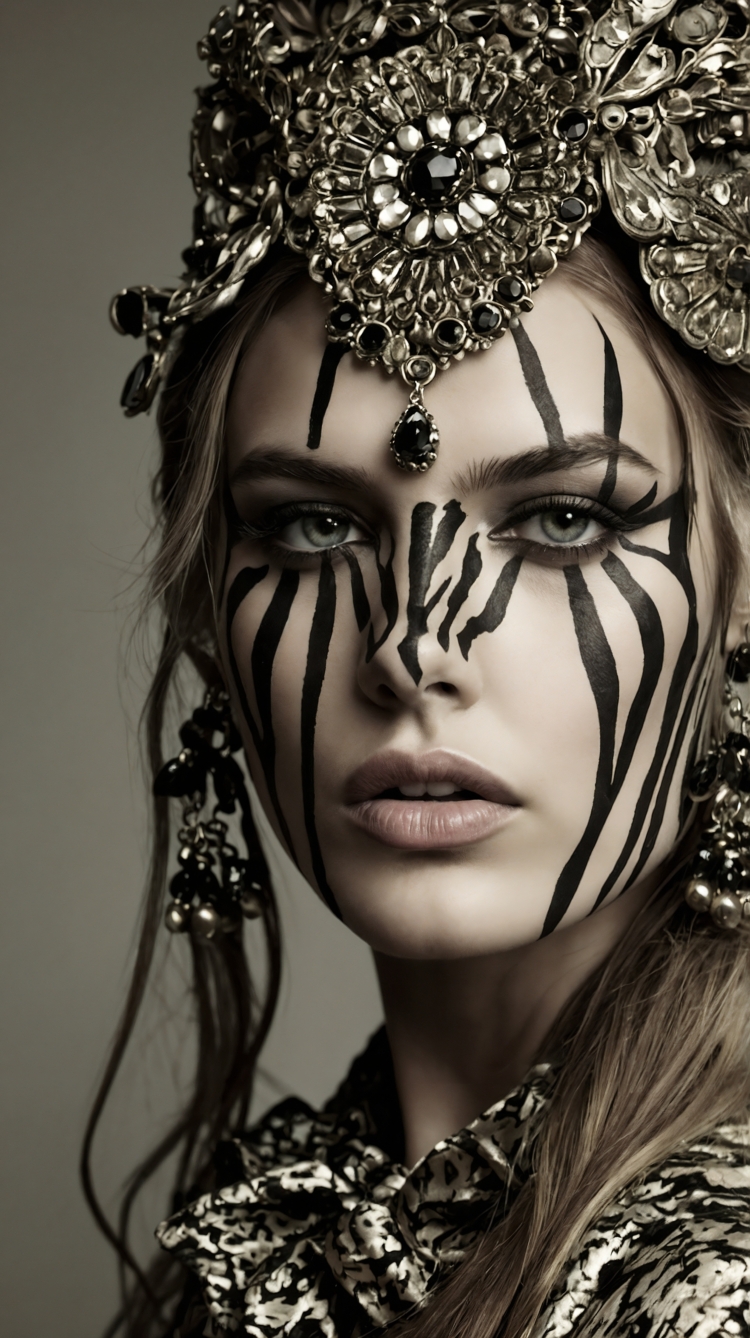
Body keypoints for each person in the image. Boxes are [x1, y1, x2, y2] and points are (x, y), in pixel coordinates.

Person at [86, 2, 750, 1335]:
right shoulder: (269, 1241)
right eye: (310, 526)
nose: (411, 649)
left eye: (564, 521)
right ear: (206, 605)